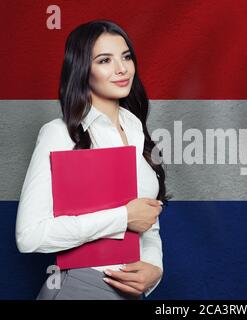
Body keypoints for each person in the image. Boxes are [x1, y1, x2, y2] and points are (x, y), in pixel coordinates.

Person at [15, 20, 170, 300]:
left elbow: (148, 218)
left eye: (126, 57)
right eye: (104, 60)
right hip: (79, 286)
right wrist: (123, 217)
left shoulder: (136, 128)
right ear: (83, 70)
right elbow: (29, 236)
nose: (121, 69)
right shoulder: (61, 133)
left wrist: (154, 268)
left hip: (128, 293)